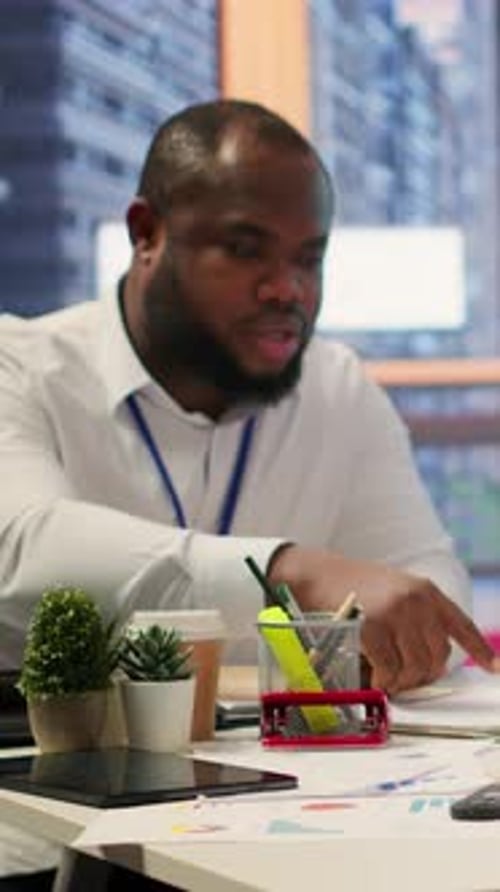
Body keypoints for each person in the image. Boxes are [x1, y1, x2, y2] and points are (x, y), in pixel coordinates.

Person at [0, 96, 498, 890]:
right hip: (35, 837)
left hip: (286, 835)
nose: (287, 289)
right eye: (246, 250)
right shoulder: (19, 366)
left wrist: (402, 626)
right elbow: (22, 556)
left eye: (310, 258)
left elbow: (424, 591)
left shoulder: (337, 389)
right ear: (146, 233)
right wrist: (292, 571)